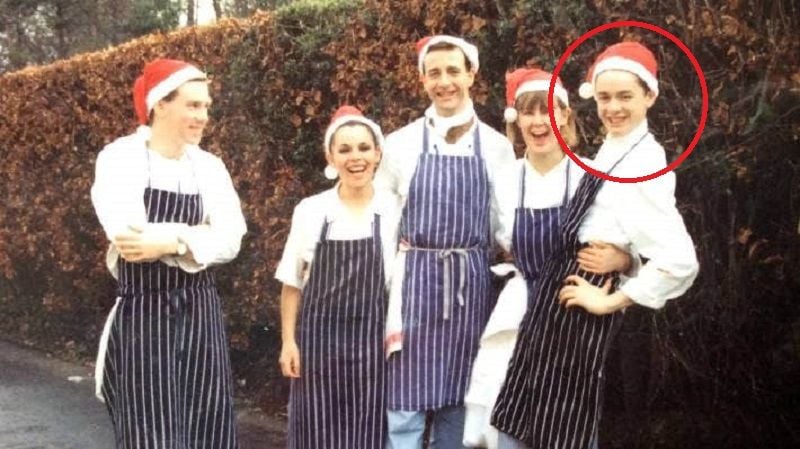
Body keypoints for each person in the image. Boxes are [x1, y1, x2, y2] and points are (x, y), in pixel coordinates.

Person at [491, 42, 700, 449]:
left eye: (625, 96)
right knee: (526, 423)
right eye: (604, 97)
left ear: (650, 95)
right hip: (558, 306)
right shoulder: (616, 147)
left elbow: (680, 260)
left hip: (586, 315)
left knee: (564, 430)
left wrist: (611, 300)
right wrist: (626, 257)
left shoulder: (644, 163)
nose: (613, 107)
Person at [462, 68, 634, 449]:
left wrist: (621, 259)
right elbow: (491, 241)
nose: (539, 122)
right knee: (508, 422)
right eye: (529, 112)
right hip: (520, 315)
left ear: (565, 116)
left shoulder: (592, 176)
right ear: (516, 119)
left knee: (565, 426)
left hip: (574, 318)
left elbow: (635, 247)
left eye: (548, 111)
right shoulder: (506, 180)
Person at [91, 58, 246, 447]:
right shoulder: (119, 157)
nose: (203, 116)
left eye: (206, 106)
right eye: (193, 105)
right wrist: (198, 237)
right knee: (150, 430)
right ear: (161, 104)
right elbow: (130, 239)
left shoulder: (210, 167)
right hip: (144, 312)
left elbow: (232, 237)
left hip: (201, 309)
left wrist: (173, 243)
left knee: (207, 424)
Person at [376, 35, 515, 449]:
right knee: (403, 400)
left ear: (471, 74)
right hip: (413, 282)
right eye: (434, 72)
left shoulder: (496, 147)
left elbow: (505, 225)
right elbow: (384, 223)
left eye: (453, 70)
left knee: (460, 397)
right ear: (421, 79)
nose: (444, 81)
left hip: (471, 284)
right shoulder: (399, 144)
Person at [276, 105, 399, 449]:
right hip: (316, 346)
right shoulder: (311, 210)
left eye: (363, 148)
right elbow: (291, 283)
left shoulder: (394, 208)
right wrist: (288, 341)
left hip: (372, 345)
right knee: (315, 433)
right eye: (344, 150)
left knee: (367, 433)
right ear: (330, 156)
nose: (355, 158)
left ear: (377, 153)